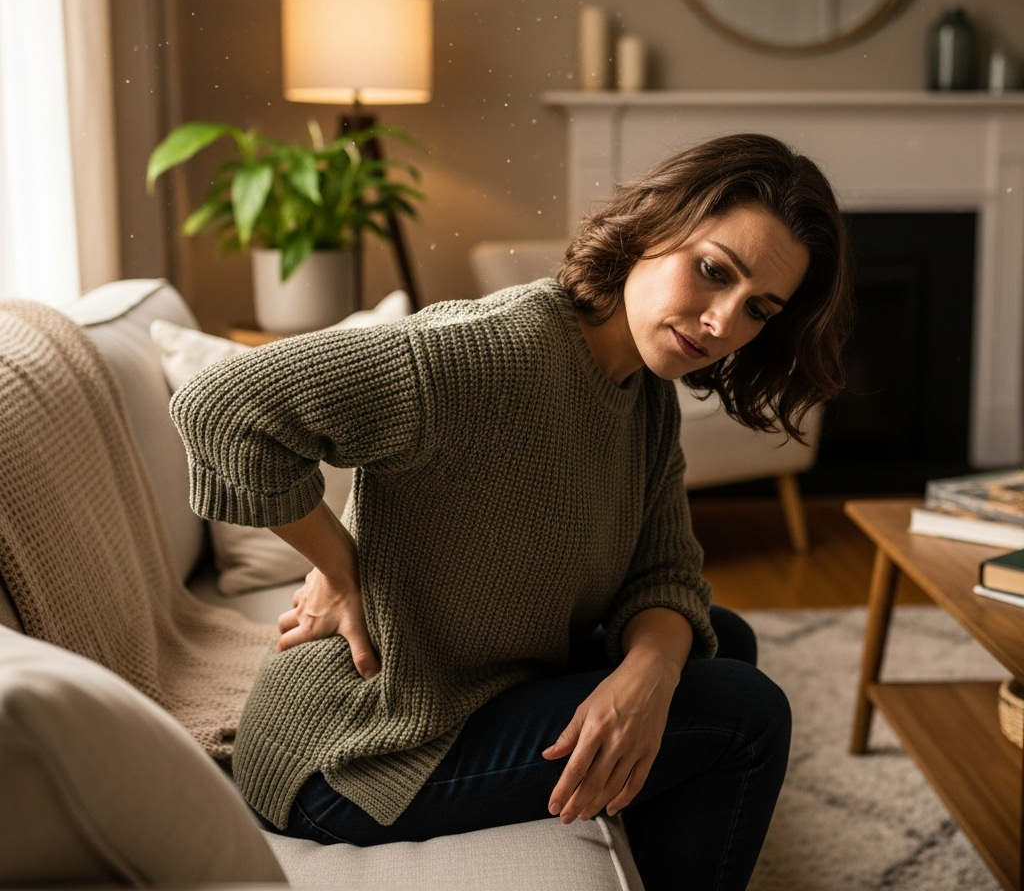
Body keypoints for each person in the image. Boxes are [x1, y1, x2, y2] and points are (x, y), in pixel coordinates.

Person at [171, 132, 852, 891]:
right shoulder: (491, 354)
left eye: (757, 308)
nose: (724, 323)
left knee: (717, 641)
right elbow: (223, 408)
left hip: (469, 686)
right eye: (712, 270)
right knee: (746, 717)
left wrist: (650, 672)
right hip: (356, 749)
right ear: (652, 226)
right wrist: (342, 565)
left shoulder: (644, 398)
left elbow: (664, 571)